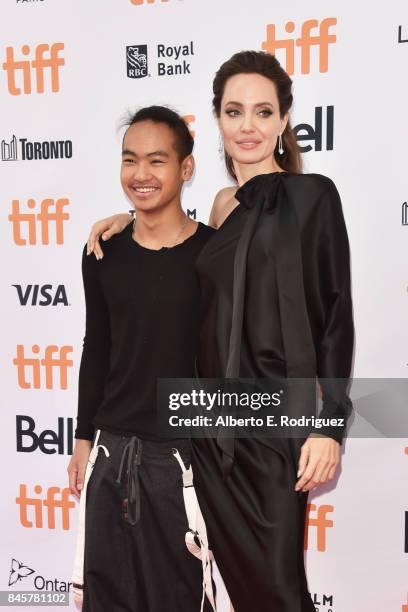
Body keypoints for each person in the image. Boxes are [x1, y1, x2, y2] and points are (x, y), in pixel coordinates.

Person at [86, 51, 354, 612]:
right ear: (219, 121)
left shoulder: (315, 197)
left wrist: (328, 428)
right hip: (210, 434)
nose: (248, 126)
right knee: (219, 587)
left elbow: (335, 317)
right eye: (234, 112)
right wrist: (123, 222)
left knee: (279, 590)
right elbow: (179, 270)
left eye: (263, 111)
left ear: (283, 121)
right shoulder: (221, 207)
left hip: (279, 429)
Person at [67, 106, 215, 612]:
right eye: (131, 160)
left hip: (181, 461)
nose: (142, 174)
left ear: (186, 169)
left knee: (178, 598)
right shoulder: (101, 252)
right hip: (109, 456)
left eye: (157, 160)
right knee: (105, 598)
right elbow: (98, 347)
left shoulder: (214, 255)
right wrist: (84, 437)